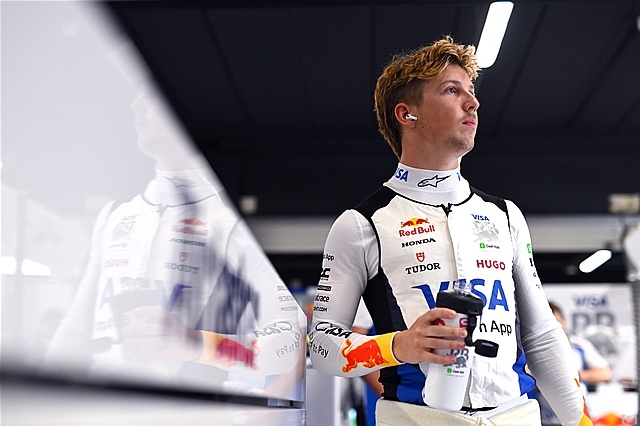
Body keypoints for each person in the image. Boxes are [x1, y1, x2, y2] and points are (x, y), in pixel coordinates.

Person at [308, 36, 592, 425]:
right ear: (407, 114)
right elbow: (322, 344)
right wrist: (399, 345)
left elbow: (542, 336)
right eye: (452, 90)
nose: (473, 103)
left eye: (471, 91)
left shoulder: (504, 215)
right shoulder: (361, 224)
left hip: (514, 416)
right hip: (415, 417)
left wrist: (582, 421)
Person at [45, 82, 305, 398]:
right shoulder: (115, 215)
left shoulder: (231, 223)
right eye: (136, 96)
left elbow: (289, 341)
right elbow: (75, 329)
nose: (136, 106)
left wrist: (193, 344)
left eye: (152, 96)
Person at [549, 302, 612, 388]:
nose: (554, 329)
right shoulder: (532, 349)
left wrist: (575, 376)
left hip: (575, 394)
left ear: (564, 321)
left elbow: (605, 373)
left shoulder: (579, 344)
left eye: (557, 322)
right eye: (549, 325)